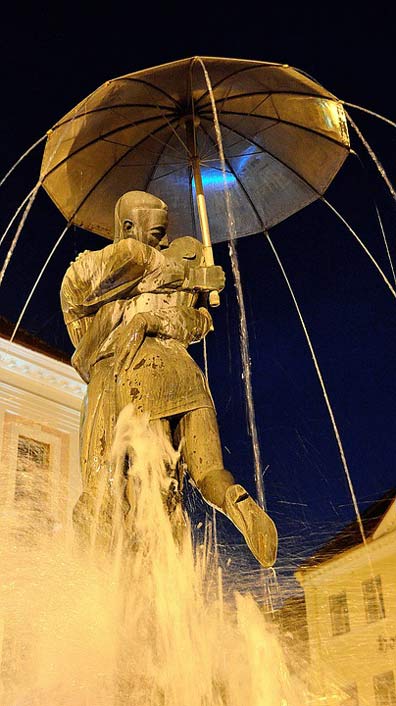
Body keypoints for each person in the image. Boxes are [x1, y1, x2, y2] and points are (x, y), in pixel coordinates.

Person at [60, 190, 277, 567]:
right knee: (206, 474)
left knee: (102, 490)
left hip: (129, 375)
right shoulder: (112, 266)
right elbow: (138, 264)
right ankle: (236, 502)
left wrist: (156, 313)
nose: (164, 241)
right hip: (187, 377)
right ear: (128, 227)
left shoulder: (94, 280)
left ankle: (103, 588)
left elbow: (192, 315)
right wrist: (193, 275)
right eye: (157, 232)